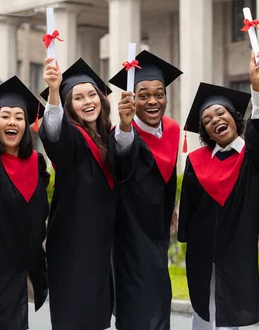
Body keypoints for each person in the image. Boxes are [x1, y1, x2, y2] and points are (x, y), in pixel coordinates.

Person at [177, 42, 259, 330]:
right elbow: (190, 205)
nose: (215, 121)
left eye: (220, 114)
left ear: (234, 117)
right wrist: (186, 237)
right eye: (207, 120)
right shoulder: (196, 160)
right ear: (205, 131)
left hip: (238, 244)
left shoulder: (252, 156)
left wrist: (257, 88)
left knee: (230, 308)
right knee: (203, 309)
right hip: (202, 245)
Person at [0, 44, 49, 330]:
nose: (13, 121)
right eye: (5, 115)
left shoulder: (37, 163)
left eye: (19, 116)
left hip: (29, 262)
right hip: (0, 266)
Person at [108, 51, 183, 330]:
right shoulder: (121, 133)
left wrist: (171, 205)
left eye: (159, 94)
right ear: (132, 99)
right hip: (129, 233)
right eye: (143, 95)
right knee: (137, 307)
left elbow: (169, 175)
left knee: (161, 298)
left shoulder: (172, 129)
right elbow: (122, 164)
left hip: (158, 231)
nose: (153, 101)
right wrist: (125, 128)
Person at [40, 57, 116, 330]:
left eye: (92, 94)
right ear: (69, 107)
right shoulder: (71, 136)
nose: (88, 102)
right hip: (72, 245)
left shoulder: (110, 138)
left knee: (97, 318)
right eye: (78, 98)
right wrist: (53, 91)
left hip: (102, 245)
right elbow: (53, 132)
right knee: (74, 317)